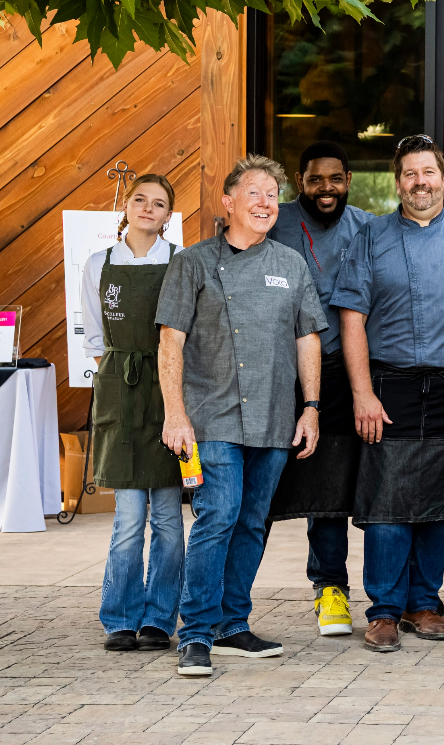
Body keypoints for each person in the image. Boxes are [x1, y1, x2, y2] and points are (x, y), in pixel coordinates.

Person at [157, 155, 328, 678]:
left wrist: (312, 408)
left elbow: (308, 338)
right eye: (253, 193)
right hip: (212, 418)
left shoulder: (291, 264)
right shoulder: (193, 263)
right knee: (219, 517)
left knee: (253, 523)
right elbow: (170, 340)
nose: (264, 202)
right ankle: (196, 634)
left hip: (275, 419)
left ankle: (233, 624)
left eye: (272, 195)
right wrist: (175, 414)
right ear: (227, 202)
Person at [329, 135, 444, 653]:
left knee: (442, 501)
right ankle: (383, 610)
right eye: (410, 174)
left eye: (429, 172)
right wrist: (362, 393)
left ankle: (424, 602)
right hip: (391, 384)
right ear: (397, 180)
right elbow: (351, 320)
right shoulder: (372, 236)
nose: (420, 182)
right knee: (388, 503)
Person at [268, 141, 376, 639]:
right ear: (298, 180)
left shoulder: (368, 228)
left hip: (335, 370)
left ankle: (330, 588)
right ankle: (222, 598)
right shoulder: (274, 220)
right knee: (255, 491)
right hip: (270, 373)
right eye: (316, 179)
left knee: (329, 489)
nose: (326, 188)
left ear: (349, 180)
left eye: (335, 179)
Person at [82, 173, 183, 654]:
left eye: (158, 203)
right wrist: (118, 385)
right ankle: (120, 617)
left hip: (168, 393)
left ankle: (160, 618)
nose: (147, 208)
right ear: (127, 208)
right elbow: (96, 342)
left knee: (166, 515)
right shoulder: (97, 263)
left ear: (168, 216)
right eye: (139, 199)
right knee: (127, 516)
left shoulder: (179, 264)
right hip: (122, 391)